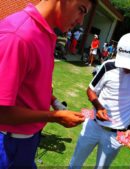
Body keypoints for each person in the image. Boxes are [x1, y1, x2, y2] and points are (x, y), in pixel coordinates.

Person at [0, 0, 96, 168]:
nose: (81, 21)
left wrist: (53, 101)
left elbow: (29, 83)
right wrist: (54, 116)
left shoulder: (45, 33)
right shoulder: (18, 36)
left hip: (27, 139)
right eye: (81, 10)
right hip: (9, 144)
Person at [69, 33, 130, 169]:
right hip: (92, 124)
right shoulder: (108, 66)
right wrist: (98, 107)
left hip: (116, 135)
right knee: (74, 164)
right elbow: (90, 90)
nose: (126, 68)